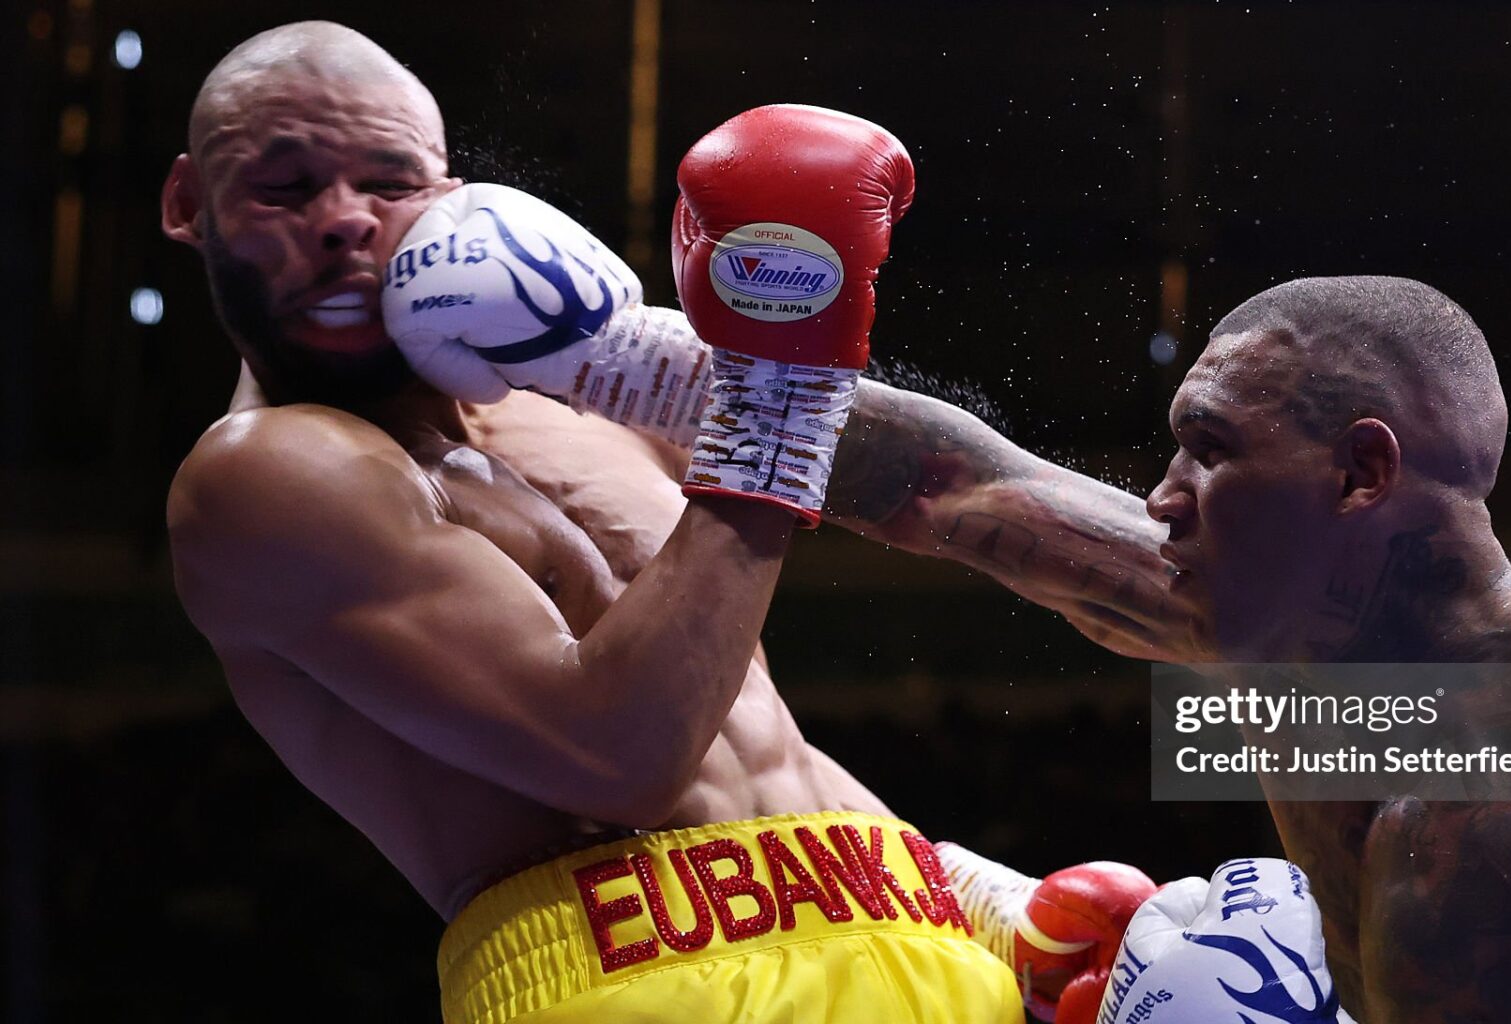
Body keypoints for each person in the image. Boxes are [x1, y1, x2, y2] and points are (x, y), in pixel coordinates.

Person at [161, 22, 1153, 1024]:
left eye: (388, 181)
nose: (342, 222)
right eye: (284, 189)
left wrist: (984, 899)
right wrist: (775, 401)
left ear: (450, 197)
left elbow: (934, 485)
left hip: (900, 920)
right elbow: (622, 758)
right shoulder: (263, 477)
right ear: (191, 206)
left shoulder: (579, 385)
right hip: (636, 979)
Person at [817, 276, 1511, 1021]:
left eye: (1210, 451)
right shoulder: (1275, 636)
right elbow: (952, 487)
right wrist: (667, 363)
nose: (1162, 499)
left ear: (1359, 474)